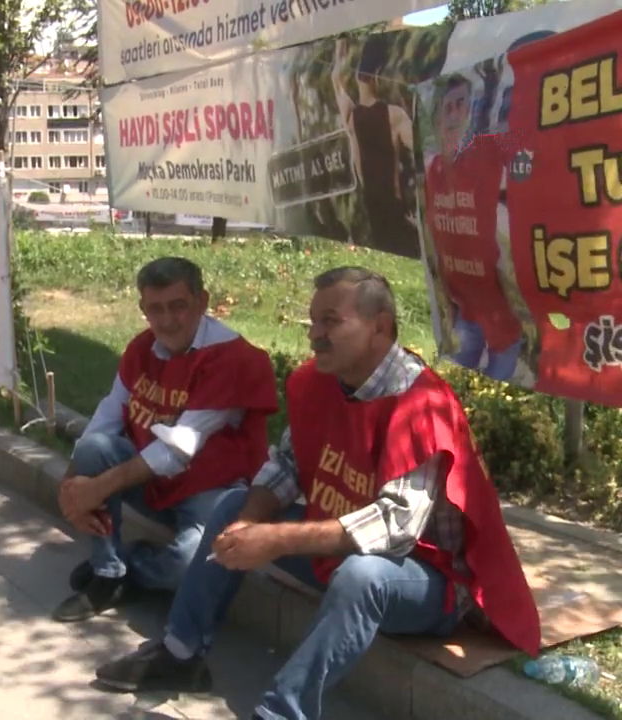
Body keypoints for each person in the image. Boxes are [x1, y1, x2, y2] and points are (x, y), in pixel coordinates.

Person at [92, 267, 540, 719]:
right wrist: (248, 523)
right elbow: (288, 465)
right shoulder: (321, 381)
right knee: (233, 505)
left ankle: (282, 711)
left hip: (426, 579)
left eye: (331, 321)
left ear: (379, 326)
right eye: (313, 321)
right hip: (340, 551)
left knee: (363, 576)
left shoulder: (421, 405)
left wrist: (276, 539)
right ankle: (180, 653)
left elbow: (394, 527)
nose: (314, 334)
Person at [53, 257, 279, 623]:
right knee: (94, 449)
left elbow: (178, 449)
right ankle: (106, 574)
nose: (168, 320)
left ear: (202, 302)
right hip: (153, 479)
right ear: (142, 308)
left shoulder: (233, 359)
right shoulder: (142, 348)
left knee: (189, 563)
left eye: (178, 306)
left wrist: (96, 489)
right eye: (155, 309)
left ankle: (133, 568)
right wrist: (71, 490)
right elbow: (107, 416)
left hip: (211, 488)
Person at [424, 74, 524, 381]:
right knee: (453, 388)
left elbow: (526, 140)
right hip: (463, 310)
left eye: (462, 105)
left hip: (502, 316)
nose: (455, 114)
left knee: (495, 397)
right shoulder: (432, 170)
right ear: (437, 119)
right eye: (448, 107)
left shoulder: (486, 151)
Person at [332, 37, 419, 257]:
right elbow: (425, 149)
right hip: (395, 213)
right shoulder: (394, 116)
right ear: (378, 74)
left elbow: (336, 80)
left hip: (373, 214)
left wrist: (339, 50)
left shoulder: (351, 118)